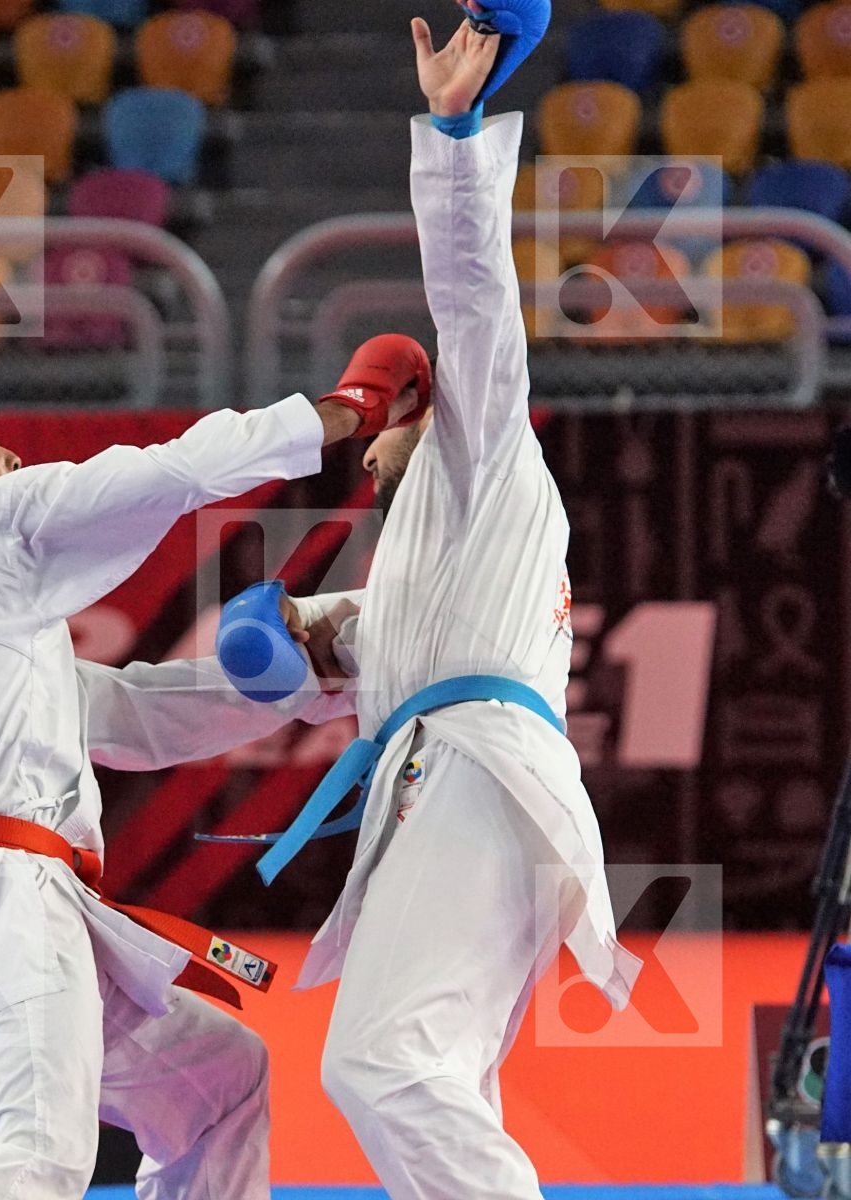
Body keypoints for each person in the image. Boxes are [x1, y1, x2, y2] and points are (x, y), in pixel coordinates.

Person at [0, 374, 418, 1199]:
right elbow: (168, 471)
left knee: (219, 1084)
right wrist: (339, 414)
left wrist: (303, 678)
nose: (10, 455)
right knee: (39, 1160)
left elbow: (131, 714)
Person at [265, 13, 643, 1198]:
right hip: (458, 773)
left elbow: (474, 303)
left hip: (475, 770)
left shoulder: (477, 449)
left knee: (381, 1063)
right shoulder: (430, 557)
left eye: (373, 419)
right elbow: (355, 637)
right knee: (437, 1075)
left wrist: (455, 130)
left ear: (424, 404)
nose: (361, 445)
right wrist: (291, 635)